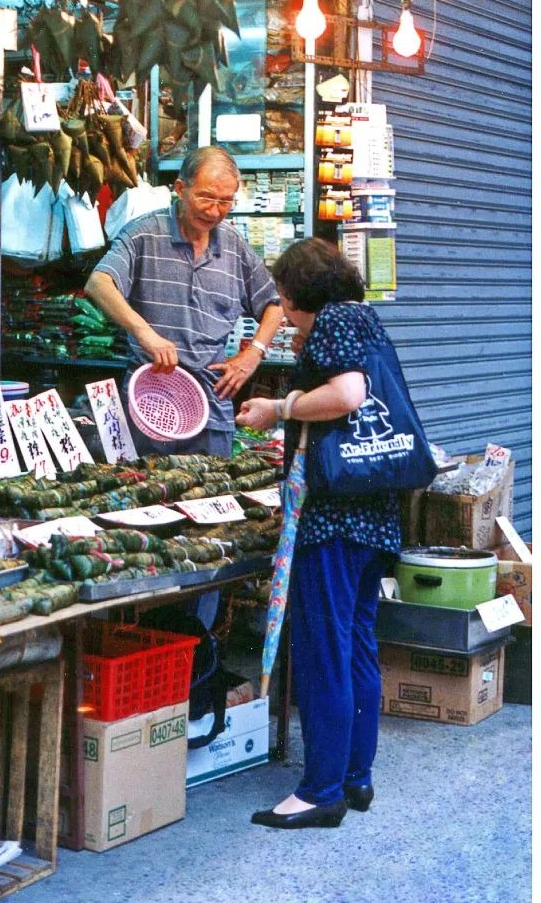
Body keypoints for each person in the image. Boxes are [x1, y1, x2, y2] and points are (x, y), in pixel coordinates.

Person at [236, 237, 401, 830]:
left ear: (304, 294)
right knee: (356, 643)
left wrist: (278, 409)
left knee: (324, 649)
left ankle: (321, 790)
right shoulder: (363, 317)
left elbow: (347, 395)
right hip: (373, 511)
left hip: (332, 517)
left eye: (284, 298)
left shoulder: (330, 322)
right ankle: (356, 776)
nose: (283, 309)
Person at [85, 145, 284, 458]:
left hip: (213, 406)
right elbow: (99, 283)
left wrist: (253, 354)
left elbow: (274, 304)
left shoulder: (232, 244)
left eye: (225, 201)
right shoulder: (144, 234)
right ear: (180, 188)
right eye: (205, 197)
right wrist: (144, 332)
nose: (214, 211)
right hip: (149, 402)